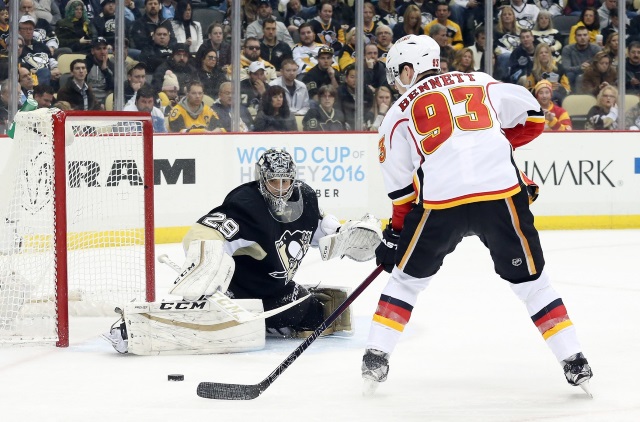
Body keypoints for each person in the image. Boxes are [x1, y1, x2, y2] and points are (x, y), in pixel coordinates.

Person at [362, 35, 593, 397]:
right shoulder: (481, 81)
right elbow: (533, 115)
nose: (396, 82)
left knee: (406, 280)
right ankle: (575, 360)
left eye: (398, 74)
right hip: (500, 194)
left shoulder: (397, 113)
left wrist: (395, 233)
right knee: (533, 283)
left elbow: (402, 191)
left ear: (409, 70)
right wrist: (488, 144)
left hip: (442, 204)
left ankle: (376, 357)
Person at [103, 148, 382, 353]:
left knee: (312, 316)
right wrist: (207, 258)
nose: (281, 189)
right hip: (239, 293)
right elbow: (208, 230)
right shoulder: (246, 204)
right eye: (275, 182)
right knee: (229, 321)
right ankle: (135, 328)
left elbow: (315, 233)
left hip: (276, 289)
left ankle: (265, 321)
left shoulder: (305, 198)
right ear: (262, 180)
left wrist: (340, 235)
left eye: (286, 181)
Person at [561, 26, 601, 91]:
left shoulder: (596, 49)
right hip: (573, 77)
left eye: (585, 35)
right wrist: (580, 68)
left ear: (589, 37)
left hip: (593, 75)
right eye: (579, 35)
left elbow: (600, 66)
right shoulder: (567, 49)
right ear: (575, 38)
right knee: (571, 75)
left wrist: (589, 68)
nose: (582, 38)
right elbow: (565, 68)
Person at [85, 36, 114, 108]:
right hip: (89, 100)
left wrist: (105, 70)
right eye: (98, 49)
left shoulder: (112, 66)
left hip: (106, 101)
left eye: (104, 48)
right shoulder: (86, 65)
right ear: (92, 51)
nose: (102, 52)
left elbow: (114, 87)